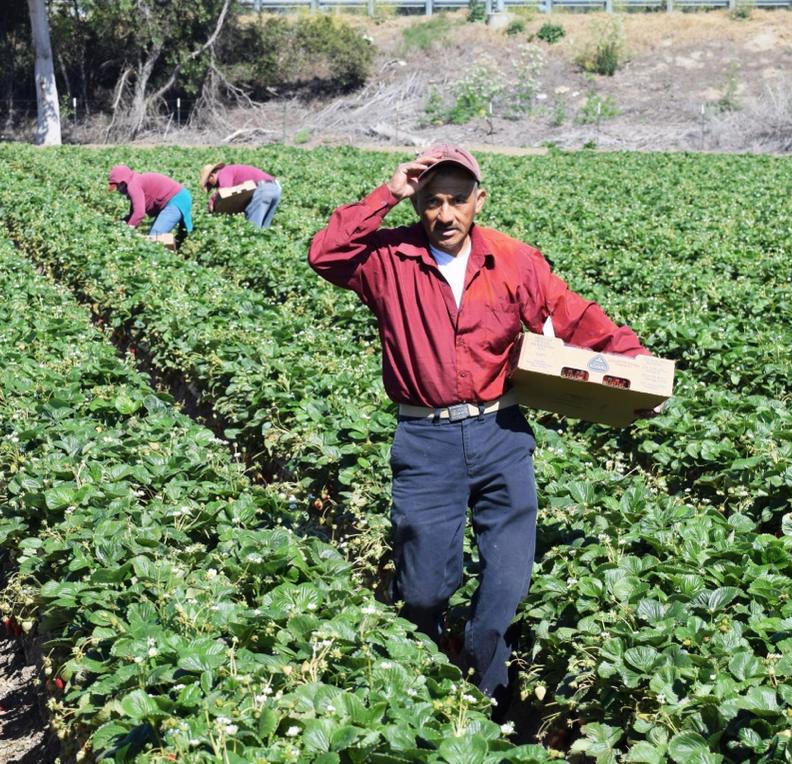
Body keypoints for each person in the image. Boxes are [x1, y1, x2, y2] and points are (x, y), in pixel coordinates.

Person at [308, 144, 653, 705]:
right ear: (416, 203)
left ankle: (487, 693)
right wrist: (386, 192)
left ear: (479, 200)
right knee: (423, 589)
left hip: (501, 434)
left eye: (458, 200)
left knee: (506, 583)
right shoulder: (388, 259)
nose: (445, 214)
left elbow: (574, 315)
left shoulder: (514, 260)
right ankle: (421, 673)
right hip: (426, 439)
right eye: (431, 201)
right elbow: (325, 255)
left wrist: (635, 367)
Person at [108, 165, 193, 237]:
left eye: (118, 187)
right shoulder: (135, 181)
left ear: (122, 183)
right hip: (178, 198)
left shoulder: (133, 186)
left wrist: (127, 232)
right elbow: (133, 213)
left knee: (156, 235)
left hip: (176, 199)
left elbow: (139, 213)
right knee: (177, 236)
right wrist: (121, 223)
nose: (118, 190)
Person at [200, 162, 282, 229]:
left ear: (211, 176)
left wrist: (212, 201)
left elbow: (223, 191)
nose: (214, 187)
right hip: (275, 189)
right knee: (264, 229)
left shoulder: (224, 172)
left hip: (263, 189)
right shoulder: (231, 170)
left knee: (253, 228)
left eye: (210, 185)